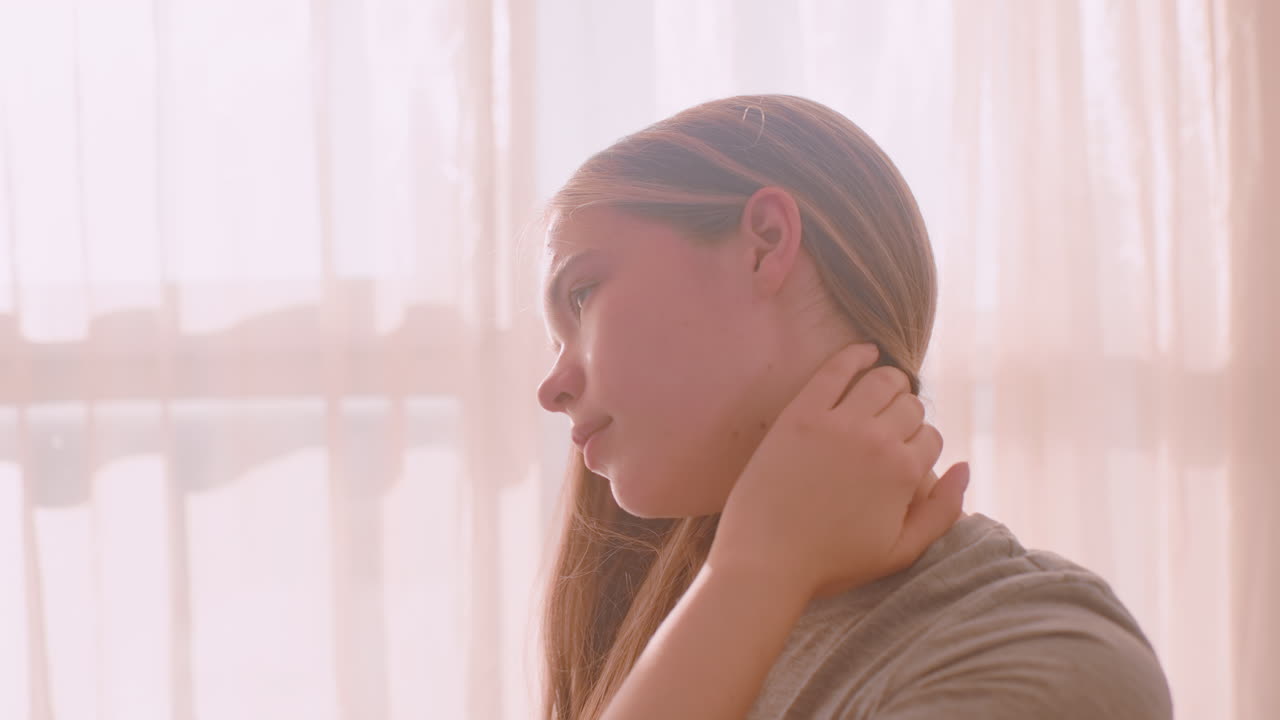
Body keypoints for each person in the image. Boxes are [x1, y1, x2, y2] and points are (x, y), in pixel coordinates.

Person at [533, 94, 1173, 720]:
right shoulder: (690, 610)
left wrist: (756, 569)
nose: (551, 387)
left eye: (583, 295)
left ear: (765, 241)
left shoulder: (1038, 661)